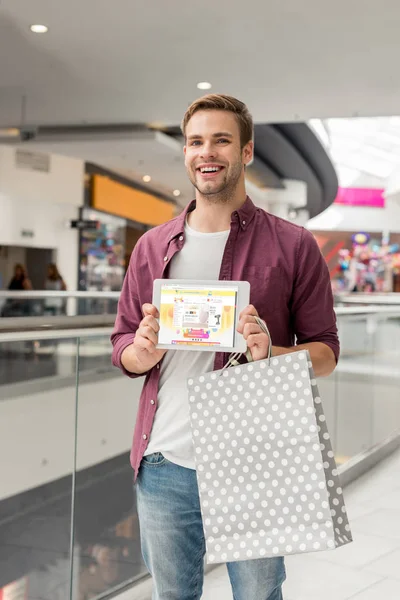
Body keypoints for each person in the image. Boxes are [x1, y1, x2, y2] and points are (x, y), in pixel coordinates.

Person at [111, 94, 340, 600]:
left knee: (258, 595)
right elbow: (123, 341)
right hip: (164, 460)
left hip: (253, 459)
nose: (206, 152)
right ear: (186, 152)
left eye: (221, 140)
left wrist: (271, 353)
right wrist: (140, 352)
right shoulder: (152, 246)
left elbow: (325, 352)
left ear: (247, 152)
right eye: (195, 141)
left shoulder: (294, 244)